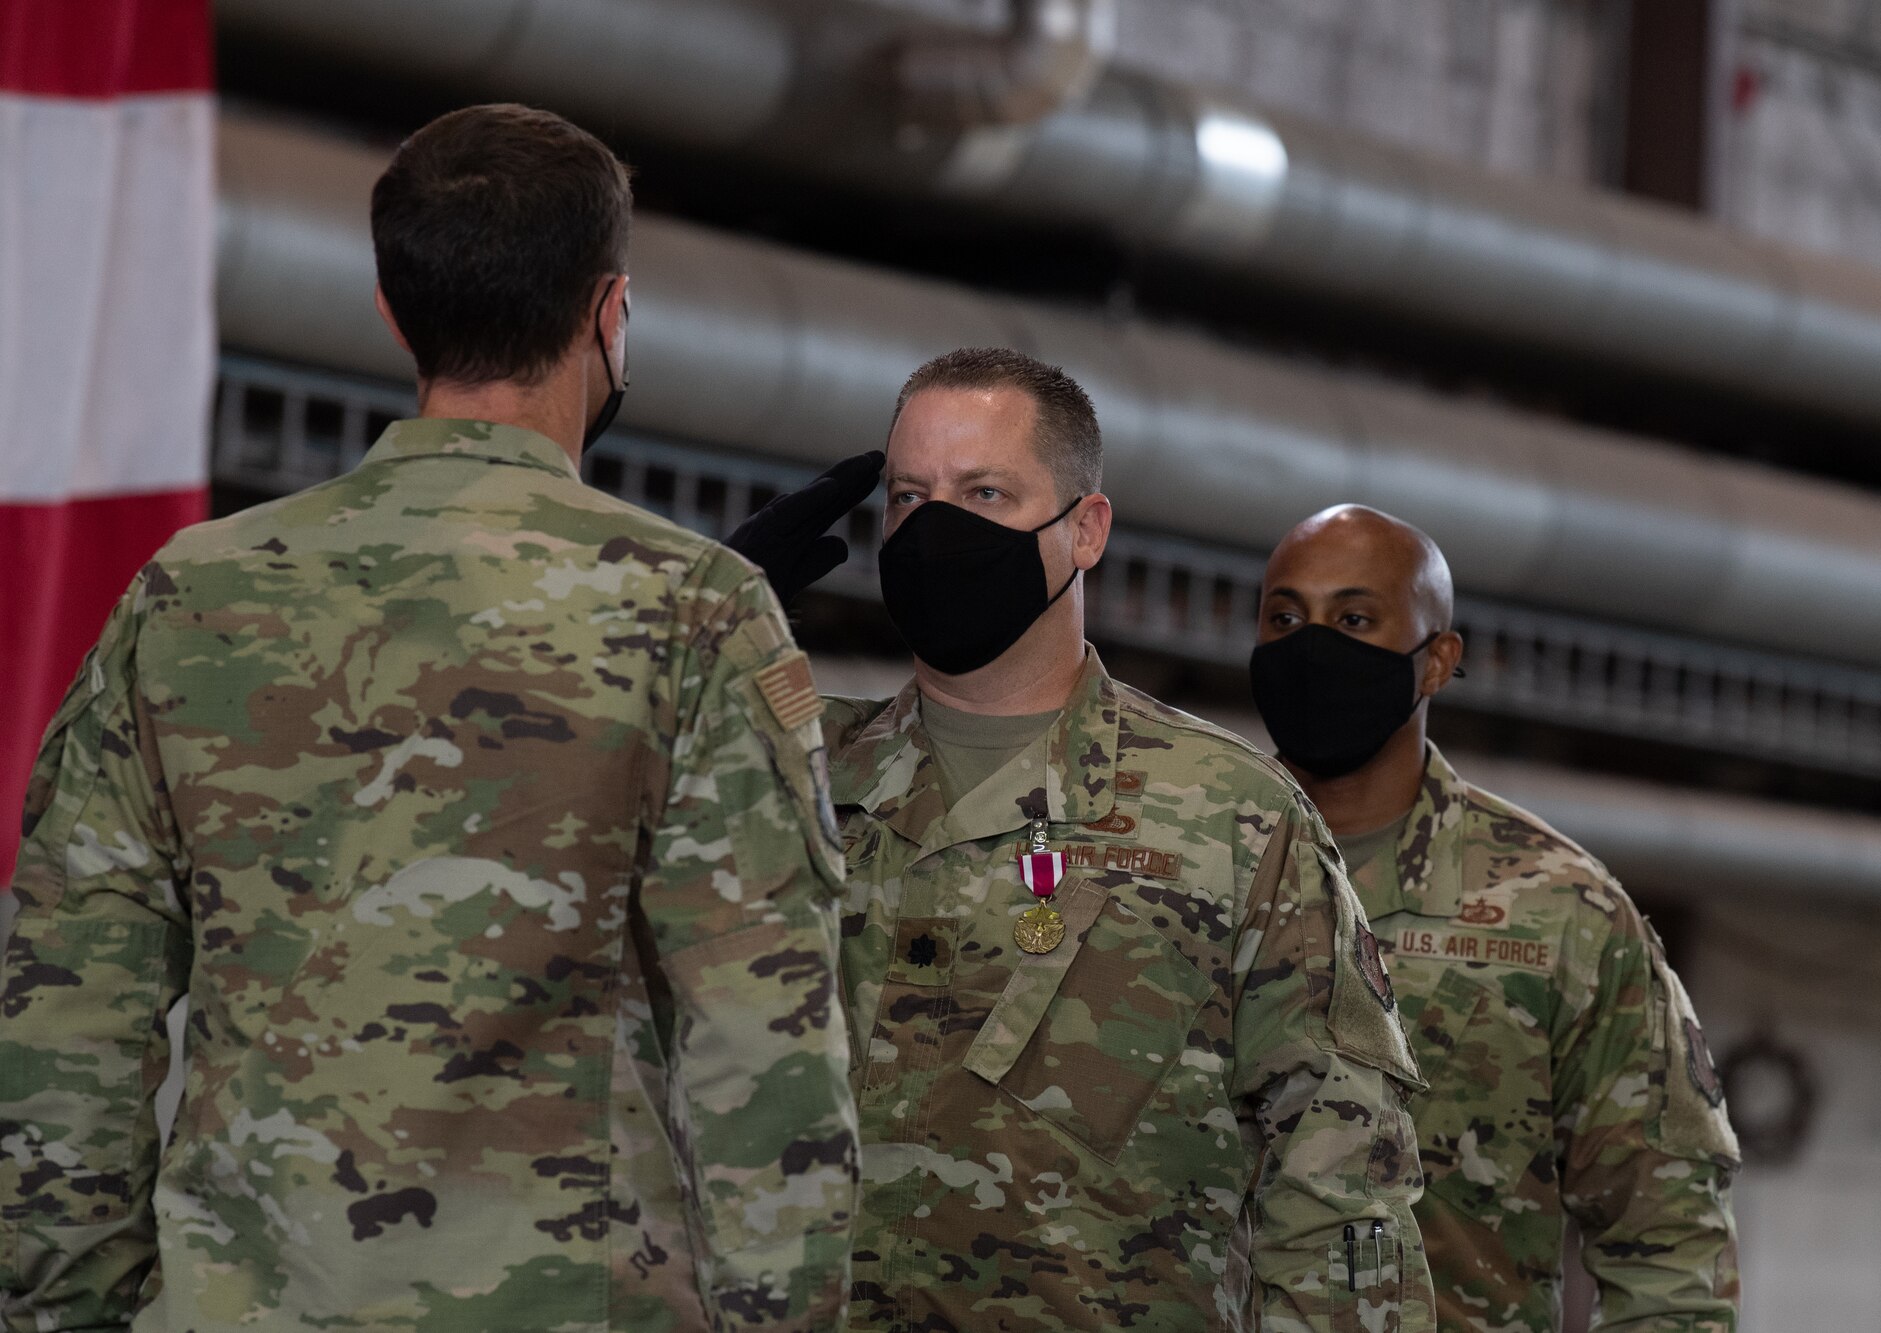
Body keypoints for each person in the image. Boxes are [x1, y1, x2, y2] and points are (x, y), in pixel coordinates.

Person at [0, 104, 856, 1332]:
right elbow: (762, 1053)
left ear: (393, 312)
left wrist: (69, 1310)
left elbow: (71, 1011)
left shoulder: (189, 597)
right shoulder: (697, 614)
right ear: (611, 315)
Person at [735, 346, 1436, 1331]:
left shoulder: (1231, 815)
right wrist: (693, 645)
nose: (933, 527)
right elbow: (560, 871)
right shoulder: (780, 771)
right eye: (905, 496)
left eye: (982, 492)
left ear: (1085, 529)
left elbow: (1340, 1182)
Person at [1249, 504, 1741, 1332]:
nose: (1313, 643)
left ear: (1437, 660)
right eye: (1285, 616)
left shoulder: (1560, 909)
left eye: (1355, 618)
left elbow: (1668, 1237)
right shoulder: (1190, 868)